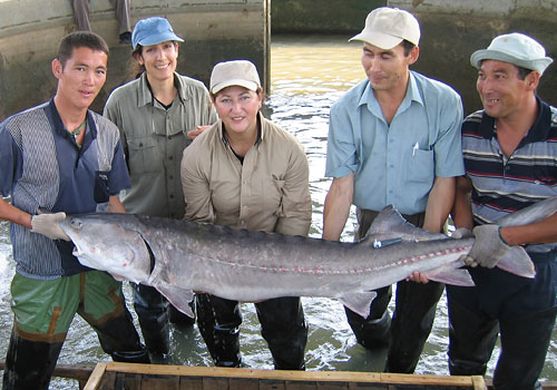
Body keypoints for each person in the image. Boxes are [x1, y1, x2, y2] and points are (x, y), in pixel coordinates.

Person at [0, 31, 149, 389]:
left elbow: (113, 201)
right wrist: (31, 221)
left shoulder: (109, 133)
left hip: (98, 270)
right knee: (27, 378)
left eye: (99, 71)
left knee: (133, 358)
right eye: (81, 68)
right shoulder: (17, 131)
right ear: (58, 68)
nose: (90, 80)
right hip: (43, 274)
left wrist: (136, 249)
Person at [322, 7, 464, 373]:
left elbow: (444, 180)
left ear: (411, 54)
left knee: (412, 331)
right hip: (372, 224)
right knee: (361, 317)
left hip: (424, 221)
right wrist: (326, 251)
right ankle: (376, 338)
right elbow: (342, 185)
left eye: (385, 55)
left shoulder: (444, 102)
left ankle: (399, 371)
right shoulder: (344, 109)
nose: (373, 66)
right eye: (367, 53)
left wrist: (428, 248)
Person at [181, 59, 311, 369]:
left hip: (277, 257)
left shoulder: (290, 150)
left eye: (245, 97)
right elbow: (199, 222)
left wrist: (273, 274)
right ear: (214, 103)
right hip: (215, 259)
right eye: (225, 100)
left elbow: (295, 218)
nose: (236, 109)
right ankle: (229, 369)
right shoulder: (195, 155)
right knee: (219, 337)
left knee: (287, 339)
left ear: (260, 97)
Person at [104, 16, 217, 363]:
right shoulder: (119, 103)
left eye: (167, 47)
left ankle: (206, 354)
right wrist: (120, 226)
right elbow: (106, 173)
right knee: (150, 306)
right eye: (151, 49)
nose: (161, 56)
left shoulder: (199, 93)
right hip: (145, 230)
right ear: (139, 57)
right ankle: (161, 364)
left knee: (201, 303)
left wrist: (212, 139)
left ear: (177, 50)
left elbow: (226, 155)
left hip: (193, 225)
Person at [448, 32, 557, 389]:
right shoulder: (470, 129)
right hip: (475, 258)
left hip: (535, 269)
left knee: (518, 375)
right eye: (483, 75)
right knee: (464, 365)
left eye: (499, 75)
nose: (485, 85)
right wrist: (465, 233)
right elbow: (462, 189)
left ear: (531, 80)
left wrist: (507, 236)